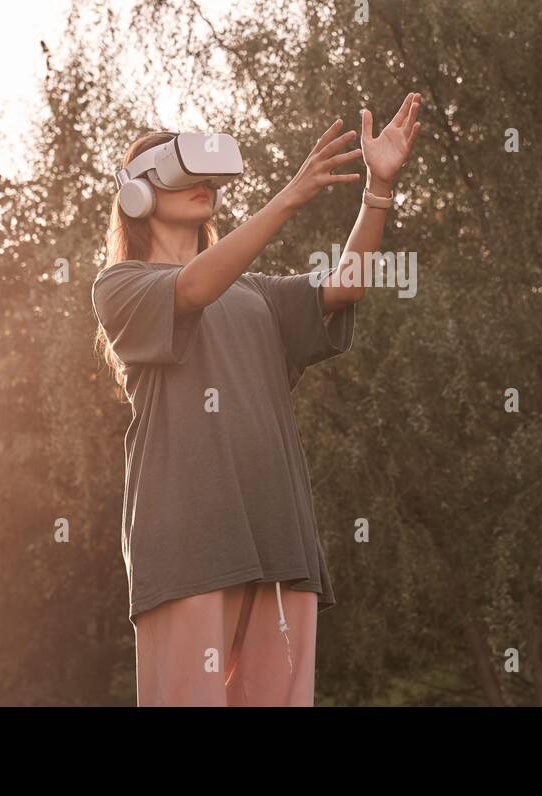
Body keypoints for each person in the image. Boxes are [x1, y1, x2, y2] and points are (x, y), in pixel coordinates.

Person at [92, 94, 422, 705]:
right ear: (136, 195)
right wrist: (291, 197)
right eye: (180, 174)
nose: (203, 187)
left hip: (281, 541)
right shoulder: (121, 287)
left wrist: (377, 188)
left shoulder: (258, 294)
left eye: (208, 179)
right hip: (190, 546)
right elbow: (193, 287)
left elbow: (346, 284)